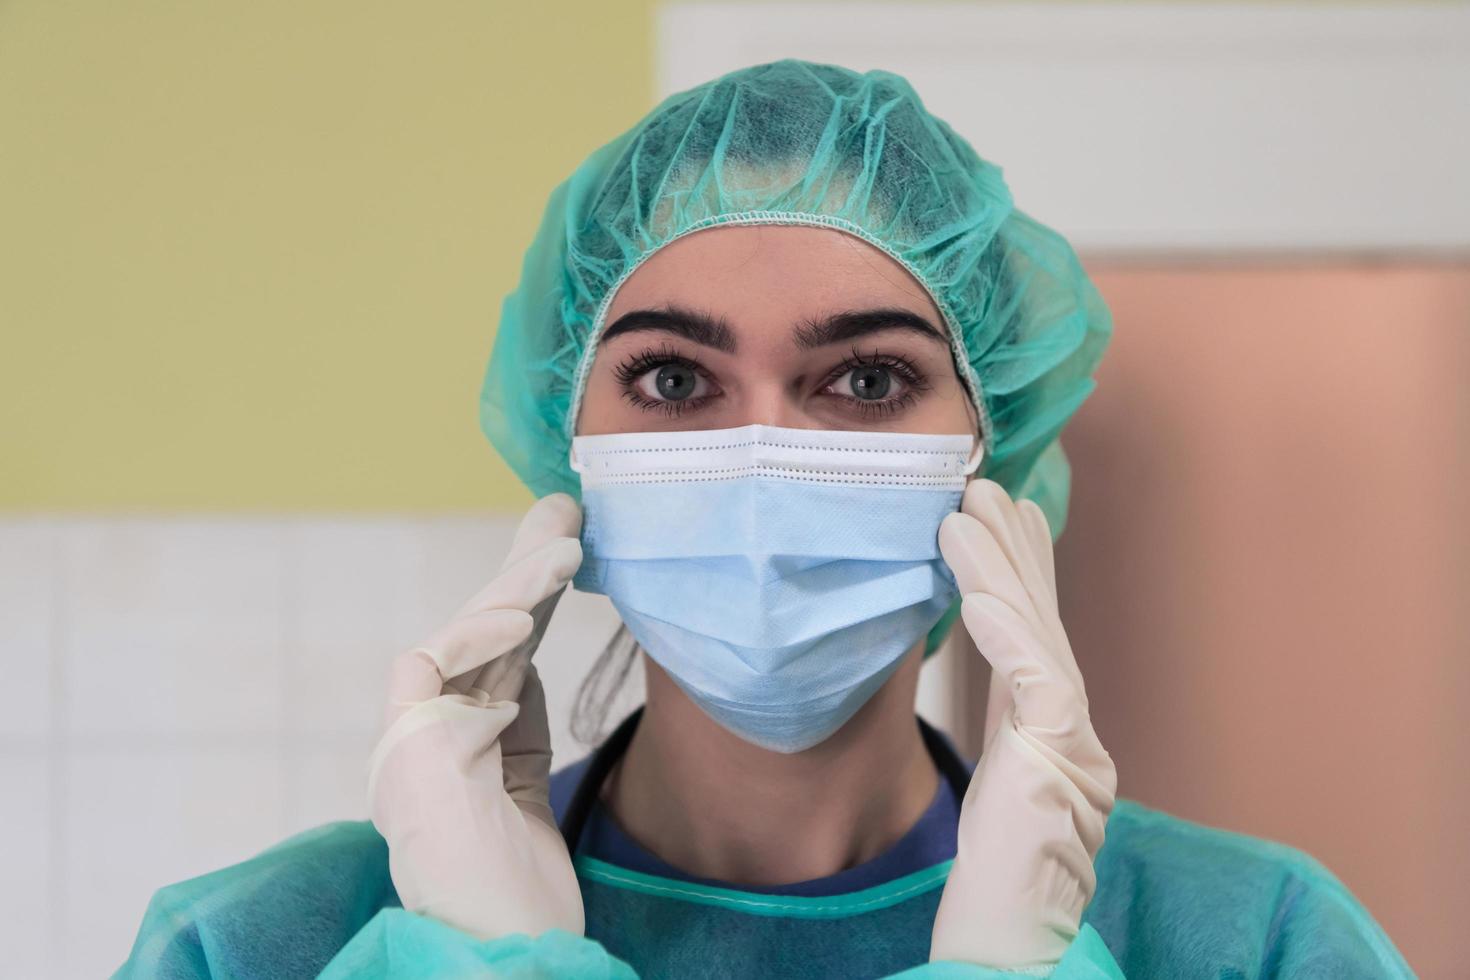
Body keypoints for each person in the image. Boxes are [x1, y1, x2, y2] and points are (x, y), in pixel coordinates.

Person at [118, 59, 1413, 979]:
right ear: (568, 445)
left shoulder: (1249, 943)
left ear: (988, 453)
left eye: (865, 379)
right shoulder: (265, 946)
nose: (763, 452)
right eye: (673, 380)